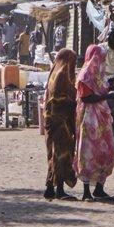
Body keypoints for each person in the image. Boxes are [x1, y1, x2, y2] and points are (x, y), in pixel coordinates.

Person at [76, 44, 114, 201]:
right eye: (101, 58)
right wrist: (107, 97)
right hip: (89, 118)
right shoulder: (85, 75)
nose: (103, 61)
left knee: (105, 151)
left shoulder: (99, 74)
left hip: (102, 117)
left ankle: (99, 188)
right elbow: (86, 97)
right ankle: (86, 191)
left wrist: (110, 88)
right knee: (88, 152)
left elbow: (102, 88)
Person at [43, 48, 79, 200]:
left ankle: (50, 187)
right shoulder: (61, 76)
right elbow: (58, 99)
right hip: (60, 122)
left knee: (53, 154)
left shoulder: (53, 73)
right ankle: (60, 189)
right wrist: (74, 102)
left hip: (52, 121)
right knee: (61, 154)